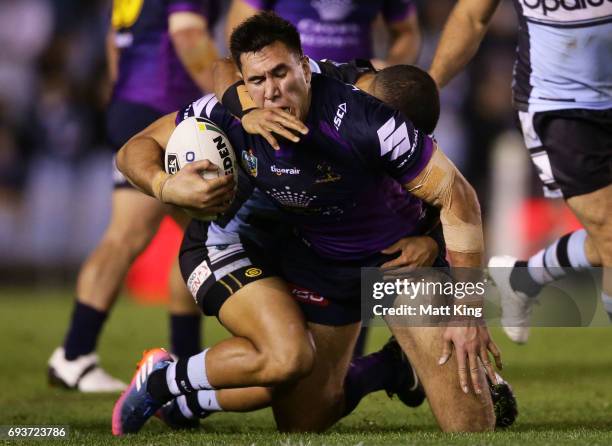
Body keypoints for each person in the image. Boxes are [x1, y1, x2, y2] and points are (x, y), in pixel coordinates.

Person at [114, 12, 502, 434]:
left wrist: (466, 306)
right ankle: (390, 367)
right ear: (242, 86)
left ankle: (171, 389)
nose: (273, 92)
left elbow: (457, 196)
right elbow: (137, 146)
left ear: (305, 65)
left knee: (470, 427)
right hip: (317, 264)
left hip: (399, 265)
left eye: (282, 73)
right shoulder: (228, 115)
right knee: (297, 406)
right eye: (257, 82)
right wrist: (166, 186)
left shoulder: (364, 115)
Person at [47, 0, 220, 392]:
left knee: (183, 234)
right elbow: (188, 32)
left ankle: (77, 354)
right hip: (165, 111)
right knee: (181, 235)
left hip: (132, 103)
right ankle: (175, 358)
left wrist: (126, 96)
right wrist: (229, 96)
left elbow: (114, 42)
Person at [428, 0, 612, 343]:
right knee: (610, 233)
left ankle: (523, 278)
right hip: (560, 105)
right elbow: (471, 15)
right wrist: (431, 86)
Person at [225, 0, 421, 66]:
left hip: (357, 91)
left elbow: (407, 33)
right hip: (287, 88)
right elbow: (240, 31)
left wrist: (390, 67)